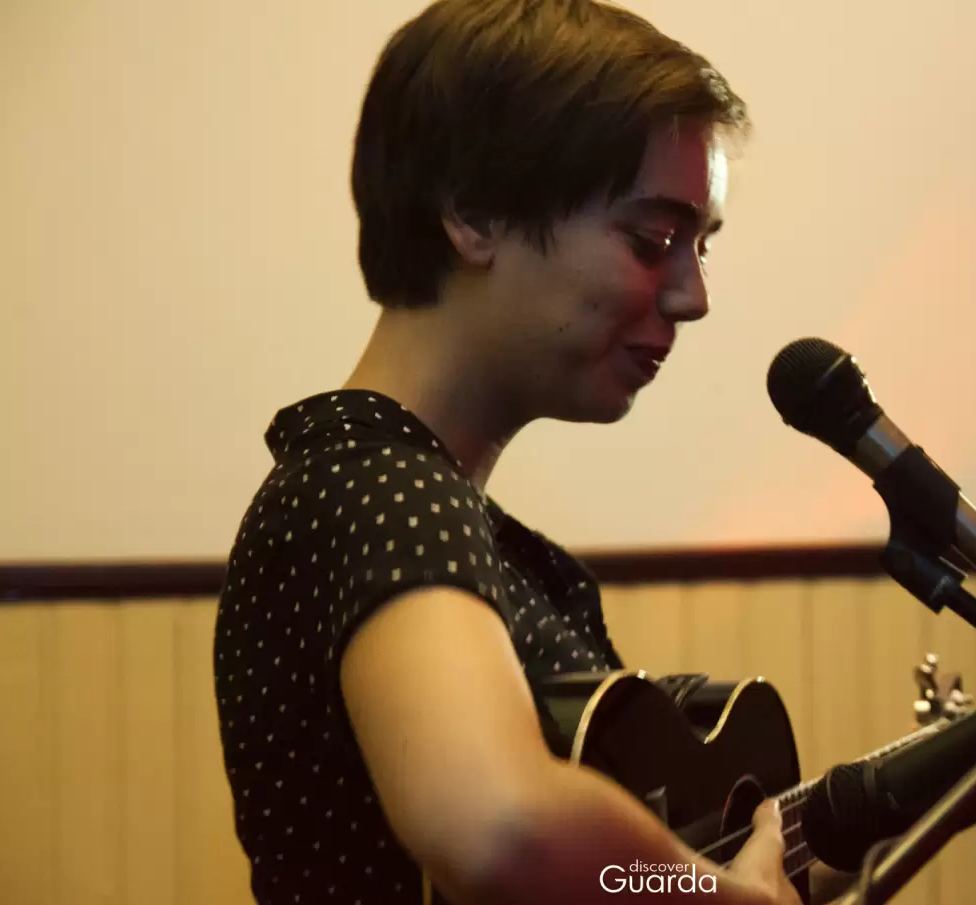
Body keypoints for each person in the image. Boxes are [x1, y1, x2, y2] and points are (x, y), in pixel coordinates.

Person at [214, 1, 839, 903]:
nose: (693, 297)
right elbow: (500, 827)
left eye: (701, 247)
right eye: (654, 239)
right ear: (473, 213)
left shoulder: (449, 522)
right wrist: (708, 896)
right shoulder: (374, 487)